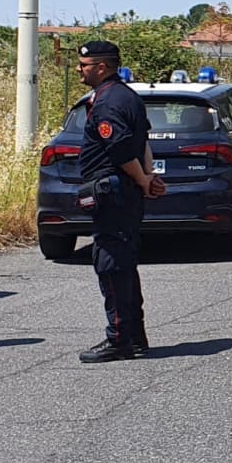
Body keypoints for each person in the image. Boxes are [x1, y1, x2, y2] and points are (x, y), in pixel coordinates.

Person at [74, 41, 166, 362]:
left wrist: (143, 180)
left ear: (102, 67)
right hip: (123, 190)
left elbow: (122, 149)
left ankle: (118, 339)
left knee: (110, 261)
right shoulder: (128, 96)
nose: (78, 69)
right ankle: (134, 335)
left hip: (114, 190)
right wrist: (149, 176)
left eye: (84, 65)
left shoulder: (107, 103)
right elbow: (142, 142)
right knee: (124, 261)